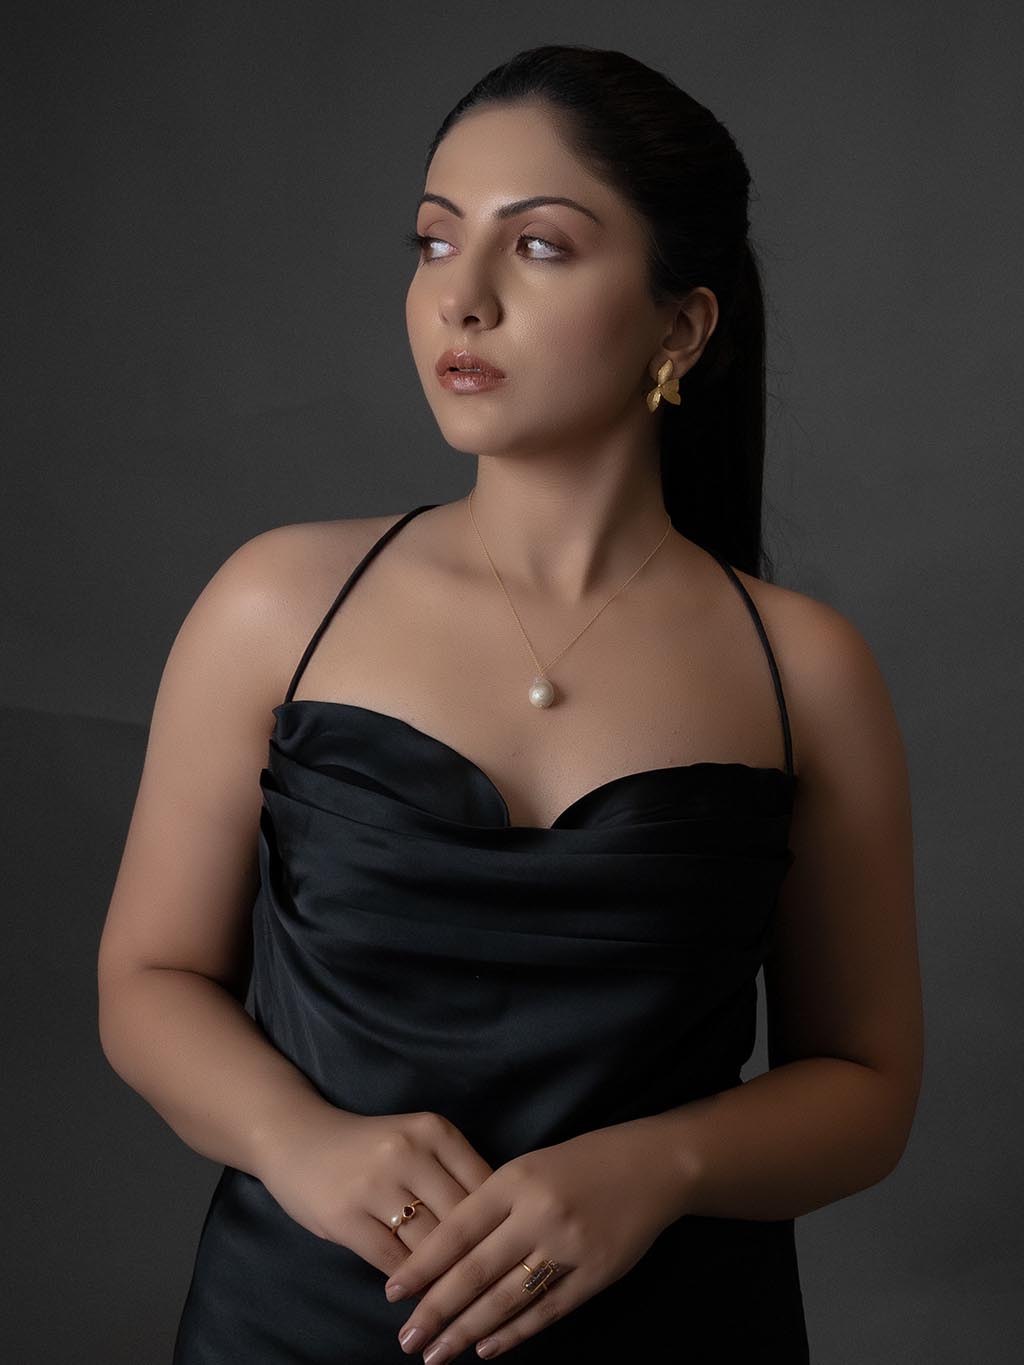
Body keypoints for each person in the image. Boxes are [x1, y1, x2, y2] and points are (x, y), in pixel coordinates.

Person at [97, 43, 923, 1364]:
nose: (459, 297)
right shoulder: (276, 604)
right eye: (435, 241)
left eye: (537, 247)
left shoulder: (803, 668)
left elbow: (868, 1088)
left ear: (681, 327)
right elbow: (147, 980)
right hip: (295, 1328)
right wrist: (296, 1140)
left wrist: (660, 1165)